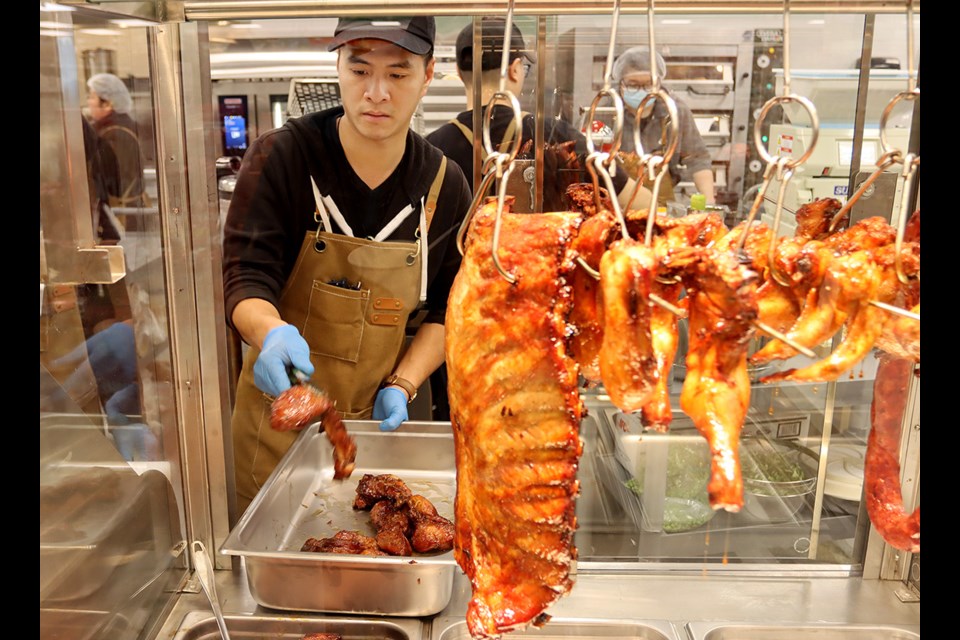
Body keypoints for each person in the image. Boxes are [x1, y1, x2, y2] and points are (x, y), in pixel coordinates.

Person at [222, 16, 473, 513]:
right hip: (275, 425)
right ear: (338, 68)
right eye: (359, 71)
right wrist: (271, 332)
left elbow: (452, 307)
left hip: (373, 430)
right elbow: (246, 276)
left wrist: (405, 381)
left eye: (398, 74)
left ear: (428, 75)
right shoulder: (283, 156)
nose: (376, 93)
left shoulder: (445, 183)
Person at [426, 18, 652, 213]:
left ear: (458, 72)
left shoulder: (431, 148)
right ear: (515, 69)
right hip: (538, 262)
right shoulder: (558, 136)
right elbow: (641, 203)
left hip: (462, 263)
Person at [612, 46, 716, 206]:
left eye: (648, 84)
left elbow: (698, 159)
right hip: (615, 203)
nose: (642, 90)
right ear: (620, 84)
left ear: (659, 83)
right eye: (633, 84)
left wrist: (709, 204)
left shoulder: (675, 111)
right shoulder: (605, 110)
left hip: (660, 205)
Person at [86, 73, 150, 209]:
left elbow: (111, 179)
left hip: (123, 213)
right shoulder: (121, 125)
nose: (88, 102)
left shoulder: (114, 133)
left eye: (92, 97)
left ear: (108, 103)